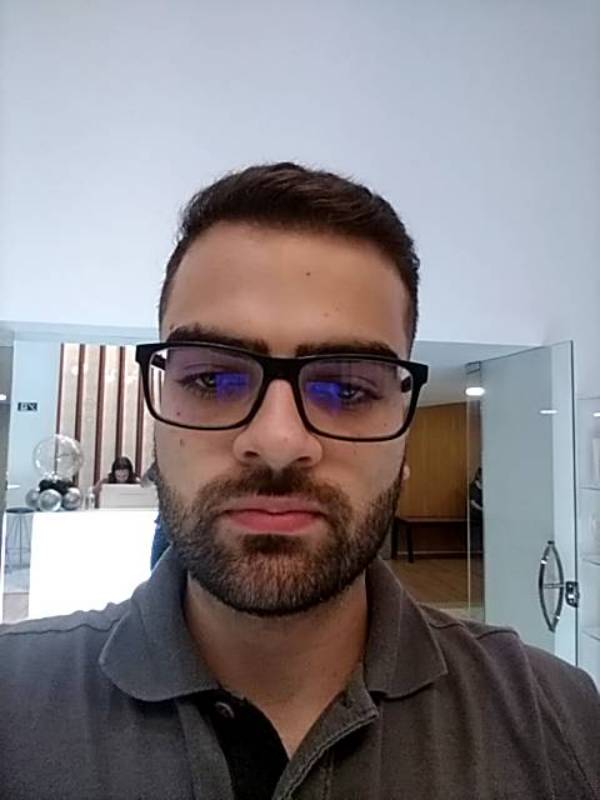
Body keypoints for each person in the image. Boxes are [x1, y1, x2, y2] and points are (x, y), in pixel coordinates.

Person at [0, 164, 598, 799]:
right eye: (212, 380)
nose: (279, 441)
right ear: (159, 419)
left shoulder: (558, 721)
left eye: (347, 389)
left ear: (403, 437)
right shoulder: (13, 704)